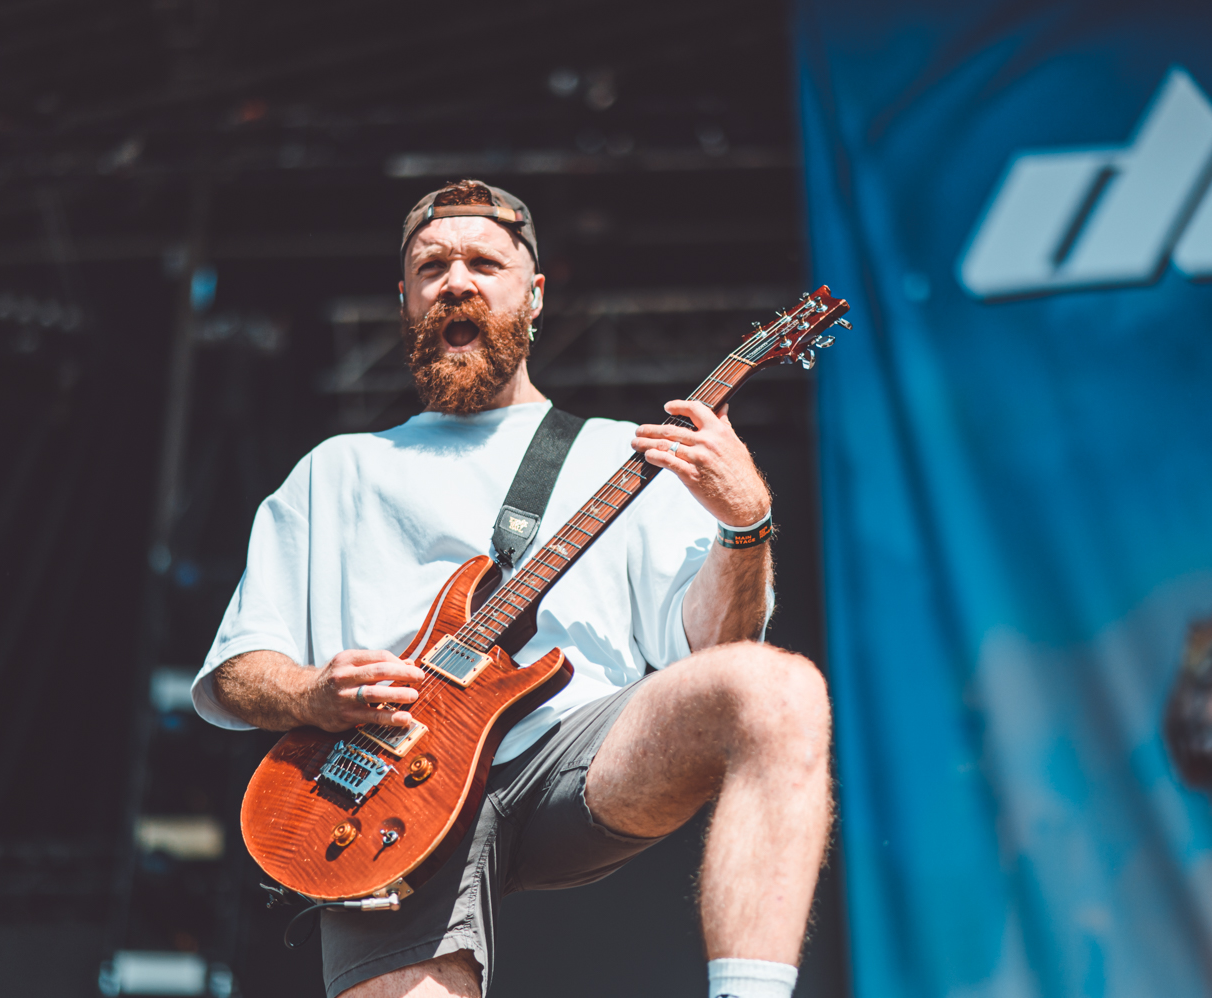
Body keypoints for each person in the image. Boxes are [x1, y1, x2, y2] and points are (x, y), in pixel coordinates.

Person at [192, 180, 833, 998]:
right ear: (405, 300)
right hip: (382, 779)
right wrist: (316, 693)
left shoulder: (629, 454)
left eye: (484, 264)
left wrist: (745, 524)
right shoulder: (336, 469)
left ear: (534, 297)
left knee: (777, 689)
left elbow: (719, 653)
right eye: (432, 267)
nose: (455, 281)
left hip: (571, 755)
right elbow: (239, 669)